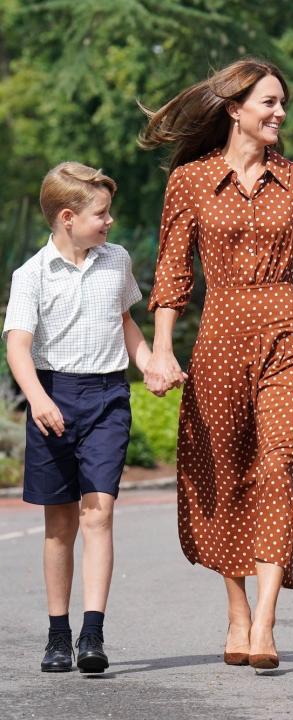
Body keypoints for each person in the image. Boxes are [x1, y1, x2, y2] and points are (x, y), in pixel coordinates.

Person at [139, 57, 293, 671]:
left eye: (282, 103)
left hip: (287, 337)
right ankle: (235, 612)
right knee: (223, 474)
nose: (280, 113)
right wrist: (160, 349)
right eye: (268, 103)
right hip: (220, 339)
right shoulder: (191, 183)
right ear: (235, 109)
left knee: (277, 468)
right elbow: (172, 275)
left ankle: (264, 622)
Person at [3, 162, 154, 673]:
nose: (109, 223)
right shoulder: (31, 276)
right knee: (59, 523)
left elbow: (126, 321)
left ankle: (92, 632)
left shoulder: (117, 261)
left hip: (108, 396)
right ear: (68, 217)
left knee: (100, 511)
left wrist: (149, 362)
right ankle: (57, 633)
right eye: (101, 214)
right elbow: (18, 348)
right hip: (52, 396)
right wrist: (37, 399)